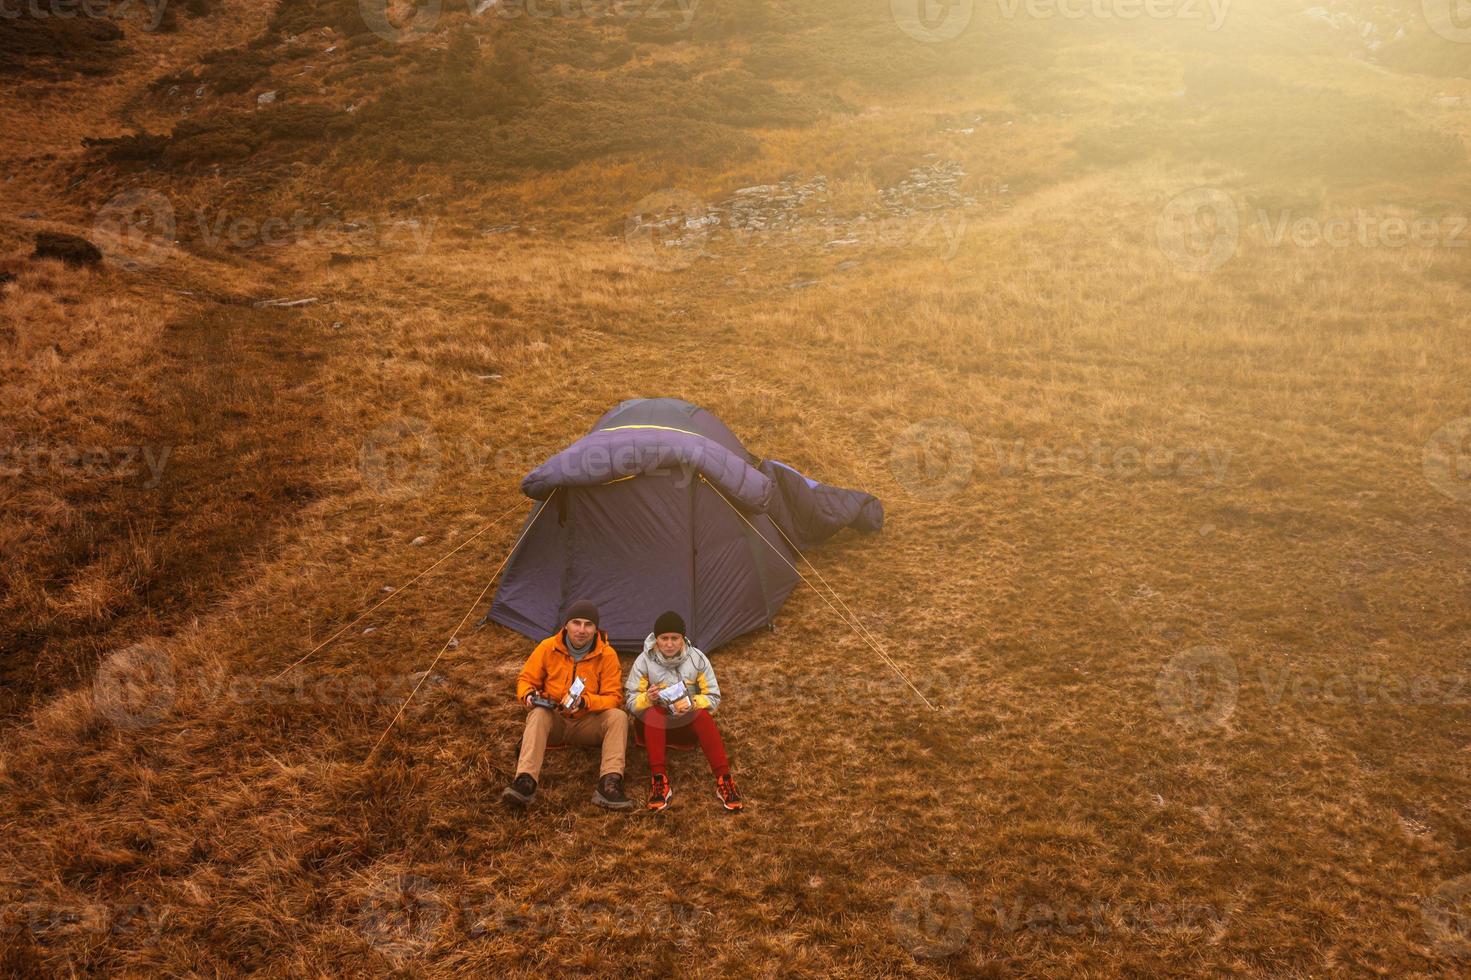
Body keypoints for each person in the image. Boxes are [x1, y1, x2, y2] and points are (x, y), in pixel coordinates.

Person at [501, 600, 634, 811]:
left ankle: (609, 783)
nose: (581, 630)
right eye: (576, 623)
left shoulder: (607, 655)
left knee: (618, 717)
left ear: (596, 629)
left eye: (588, 625)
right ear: (566, 625)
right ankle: (525, 781)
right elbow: (525, 679)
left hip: (587, 723)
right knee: (538, 714)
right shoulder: (547, 647)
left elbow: (613, 697)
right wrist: (527, 694)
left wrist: (586, 701)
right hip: (555, 720)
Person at [625, 611, 742, 812]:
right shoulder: (644, 661)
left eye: (675, 638)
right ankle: (659, 781)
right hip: (653, 728)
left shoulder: (697, 659)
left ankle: (724, 779)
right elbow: (630, 701)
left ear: (683, 639)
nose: (669, 644)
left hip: (684, 726)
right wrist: (648, 698)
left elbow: (713, 697)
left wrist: (692, 703)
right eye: (664, 638)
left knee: (702, 715)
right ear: (656, 639)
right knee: (654, 712)